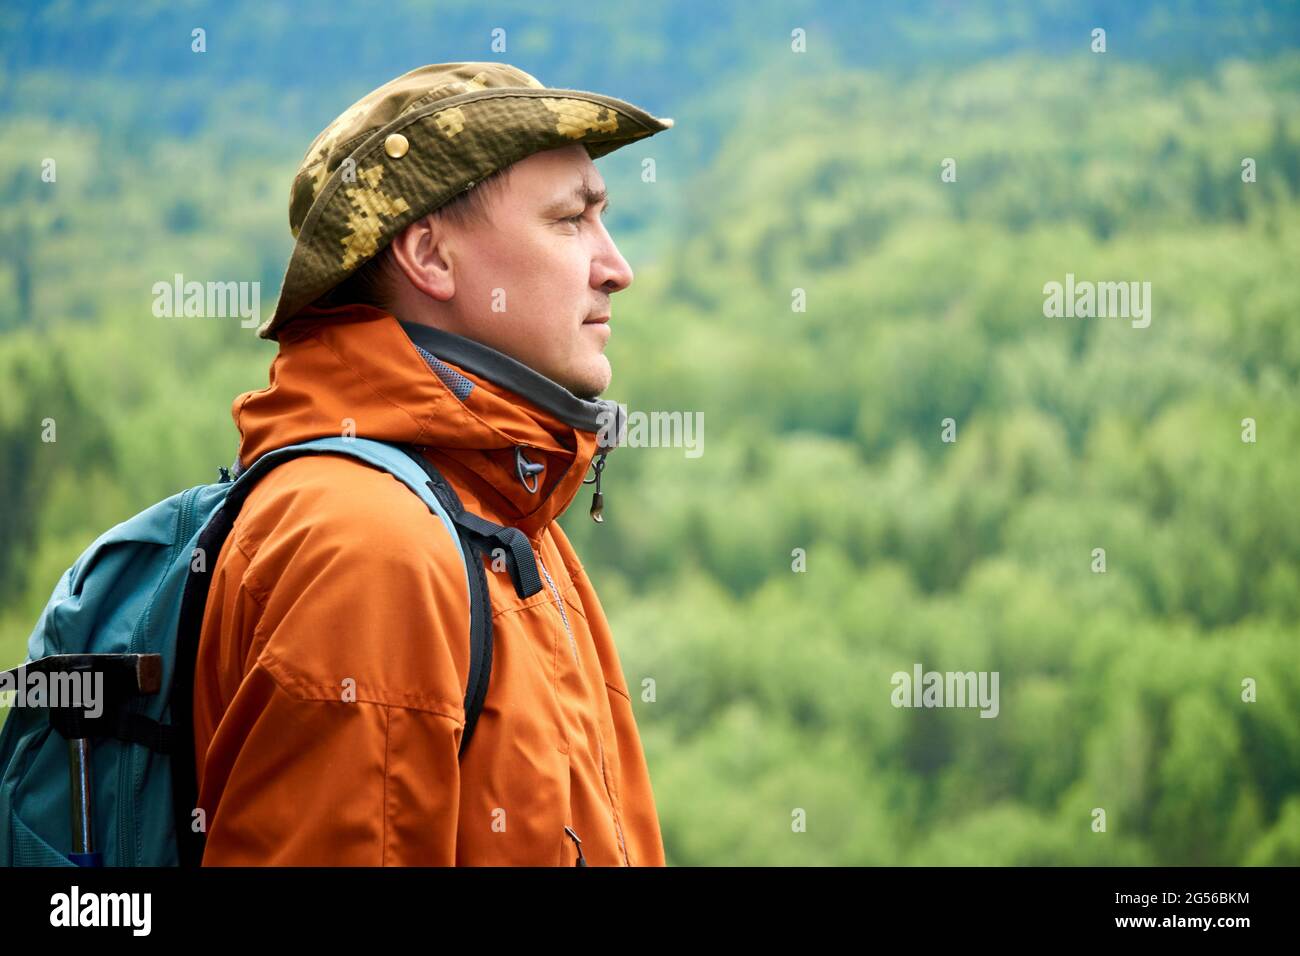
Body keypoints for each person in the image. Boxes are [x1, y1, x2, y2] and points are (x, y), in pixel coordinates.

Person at [191, 62, 675, 865]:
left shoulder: (499, 516)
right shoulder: (370, 547)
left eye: (603, 217)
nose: (616, 266)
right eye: (569, 222)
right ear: (431, 258)